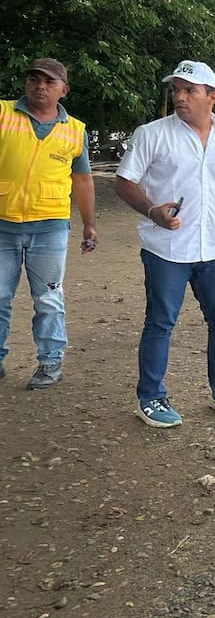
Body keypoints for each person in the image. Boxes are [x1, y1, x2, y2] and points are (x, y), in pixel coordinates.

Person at [115, 60, 215, 428]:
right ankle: (151, 398)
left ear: (212, 97)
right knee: (160, 322)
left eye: (189, 90)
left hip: (214, 250)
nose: (179, 97)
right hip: (166, 250)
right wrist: (152, 211)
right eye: (176, 89)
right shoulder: (152, 134)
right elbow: (124, 182)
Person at [0, 58, 97, 389]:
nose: (40, 86)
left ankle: (50, 364)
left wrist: (89, 224)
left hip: (50, 228)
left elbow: (82, 180)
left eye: (49, 82)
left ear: (63, 90)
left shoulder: (75, 130)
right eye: (34, 79)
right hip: (3, 225)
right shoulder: (3, 115)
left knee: (48, 299)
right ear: (26, 83)